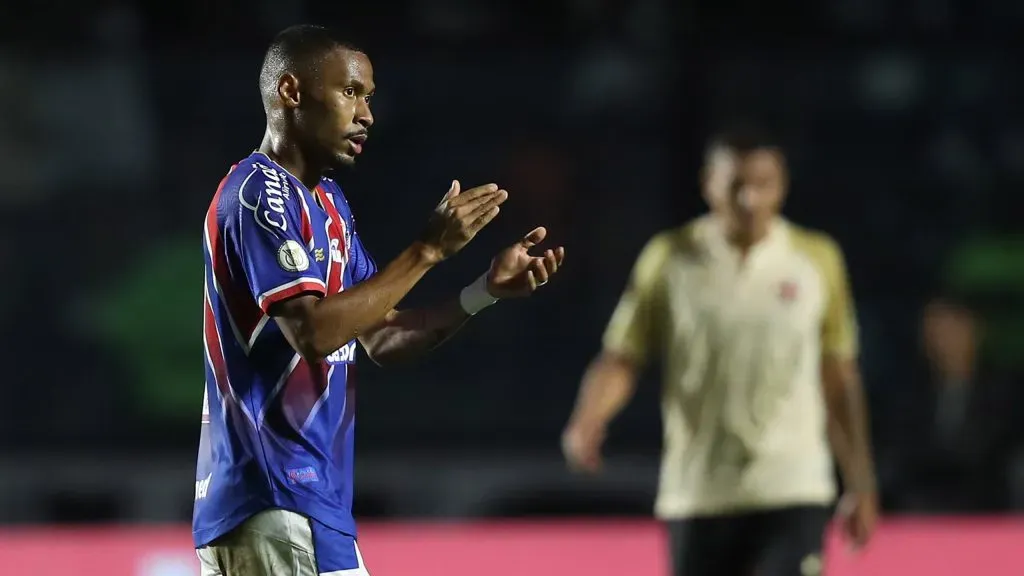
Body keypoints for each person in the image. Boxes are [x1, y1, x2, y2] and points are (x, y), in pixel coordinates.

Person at [193, 24, 565, 576]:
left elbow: (381, 336)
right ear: (291, 92)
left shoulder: (328, 204)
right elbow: (314, 334)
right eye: (350, 92)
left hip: (295, 507)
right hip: (279, 494)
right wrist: (428, 250)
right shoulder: (258, 195)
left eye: (369, 96)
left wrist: (482, 292)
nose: (367, 113)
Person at [561, 126, 876, 576]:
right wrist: (588, 417)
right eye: (736, 186)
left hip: (792, 486)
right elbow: (623, 356)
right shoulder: (670, 259)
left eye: (763, 185)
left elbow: (838, 375)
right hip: (698, 493)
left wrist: (860, 481)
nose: (750, 200)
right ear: (709, 182)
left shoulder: (816, 259)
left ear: (782, 185)